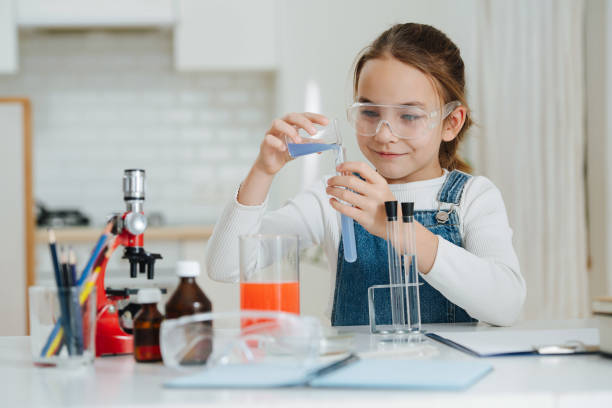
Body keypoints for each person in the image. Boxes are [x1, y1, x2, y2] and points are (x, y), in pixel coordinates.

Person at [205, 23, 525, 327]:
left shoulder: (473, 197)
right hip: (355, 382)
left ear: (451, 123)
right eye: (370, 113)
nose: (384, 135)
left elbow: (506, 306)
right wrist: (263, 171)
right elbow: (226, 267)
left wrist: (399, 228)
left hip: (450, 380)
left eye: (409, 116)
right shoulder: (337, 195)